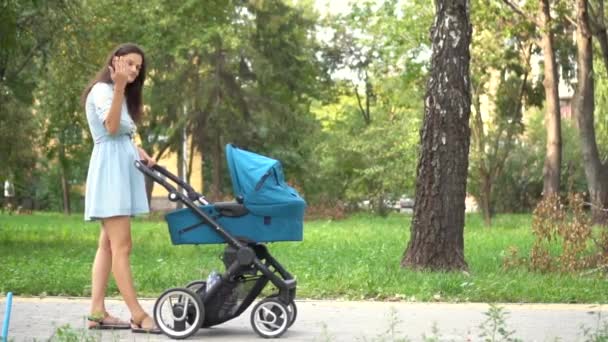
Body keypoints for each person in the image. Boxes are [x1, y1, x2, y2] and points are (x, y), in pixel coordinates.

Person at [81, 43, 159, 334]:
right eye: (130, 63)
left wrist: (139, 151)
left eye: (138, 67)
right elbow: (110, 128)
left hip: (120, 170)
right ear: (115, 62)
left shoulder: (122, 95)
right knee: (122, 246)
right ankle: (137, 314)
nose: (134, 70)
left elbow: (123, 133)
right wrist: (118, 88)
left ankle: (96, 312)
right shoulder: (104, 91)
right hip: (110, 174)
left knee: (107, 244)